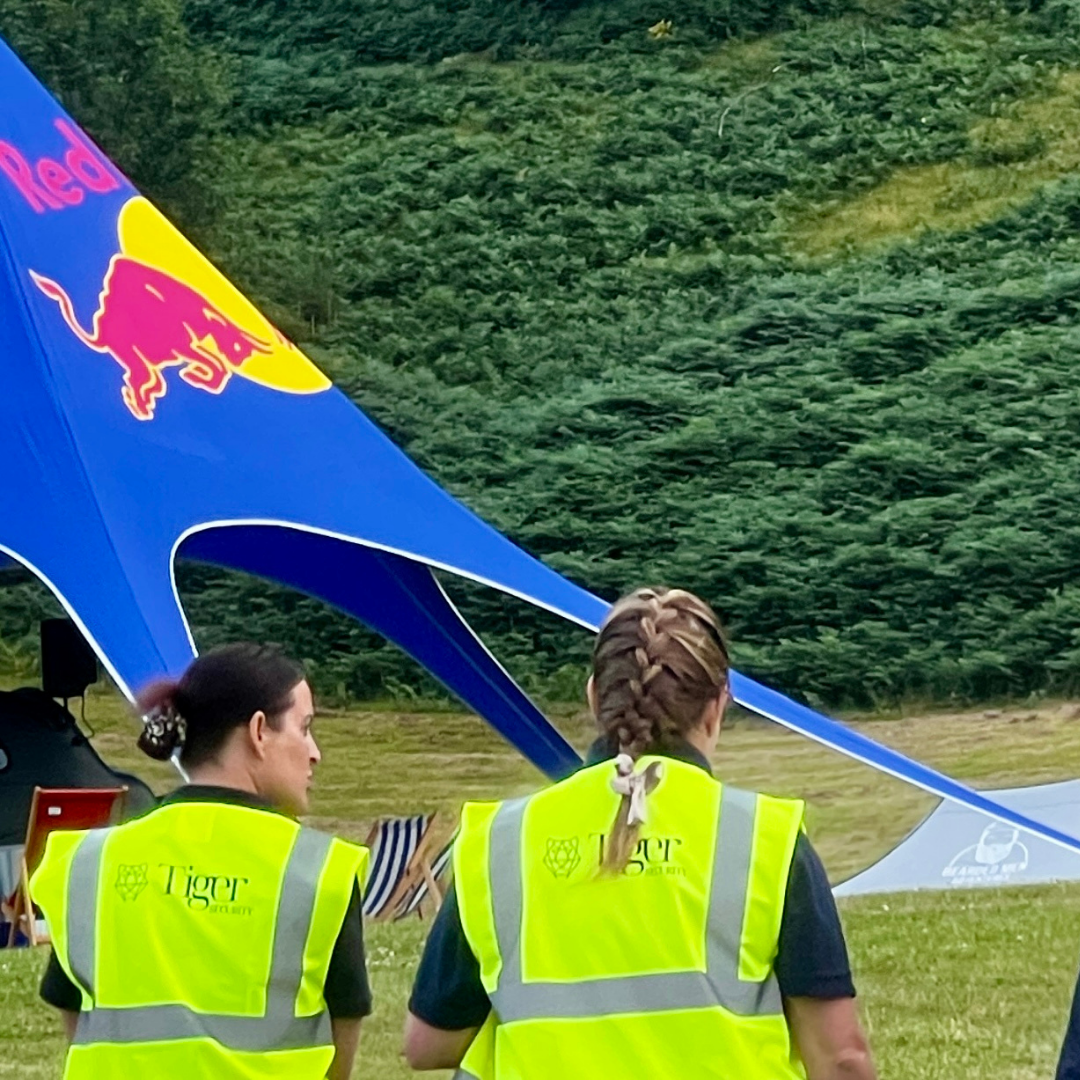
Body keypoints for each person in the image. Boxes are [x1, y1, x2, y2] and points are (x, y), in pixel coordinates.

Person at [403, 587, 877, 1080]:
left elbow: (425, 1045)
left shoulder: (499, 842)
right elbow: (839, 1058)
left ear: (593, 697)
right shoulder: (766, 840)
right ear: (717, 707)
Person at [31, 643, 371, 1079]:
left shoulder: (90, 862)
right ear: (259, 731)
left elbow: (75, 1010)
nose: (314, 752)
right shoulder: (318, 873)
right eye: (304, 728)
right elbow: (340, 1051)